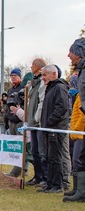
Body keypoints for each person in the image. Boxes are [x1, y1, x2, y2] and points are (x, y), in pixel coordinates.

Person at [36, 65, 69, 194]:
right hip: (49, 129)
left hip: (56, 129)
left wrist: (49, 121)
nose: (42, 78)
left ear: (54, 74)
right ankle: (50, 184)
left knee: (55, 158)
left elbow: (62, 107)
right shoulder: (50, 88)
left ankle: (57, 185)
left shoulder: (59, 88)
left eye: (45, 75)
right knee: (49, 157)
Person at [64, 37, 85, 202]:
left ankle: (81, 192)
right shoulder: (81, 70)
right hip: (79, 118)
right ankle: (78, 188)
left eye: (71, 52)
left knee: (80, 156)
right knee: (77, 157)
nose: (68, 55)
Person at [24, 58, 48, 187]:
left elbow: (41, 102)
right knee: (34, 151)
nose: (31, 66)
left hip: (38, 123)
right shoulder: (33, 82)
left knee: (41, 151)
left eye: (33, 64)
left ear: (38, 67)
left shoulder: (42, 83)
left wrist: (37, 118)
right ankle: (38, 176)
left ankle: (45, 177)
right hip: (32, 122)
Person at [5, 68, 25, 177]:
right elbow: (8, 106)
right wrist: (7, 120)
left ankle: (19, 170)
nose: (13, 77)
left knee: (21, 147)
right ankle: (15, 170)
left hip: (20, 121)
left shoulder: (24, 88)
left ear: (20, 76)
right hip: (11, 121)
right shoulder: (10, 90)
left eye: (15, 75)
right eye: (11, 75)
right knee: (14, 148)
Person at [65, 75, 83, 197]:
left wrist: (76, 129)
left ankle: (81, 191)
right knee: (75, 161)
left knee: (78, 160)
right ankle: (76, 188)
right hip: (75, 133)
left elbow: (82, 116)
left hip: (80, 133)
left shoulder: (81, 97)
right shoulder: (76, 97)